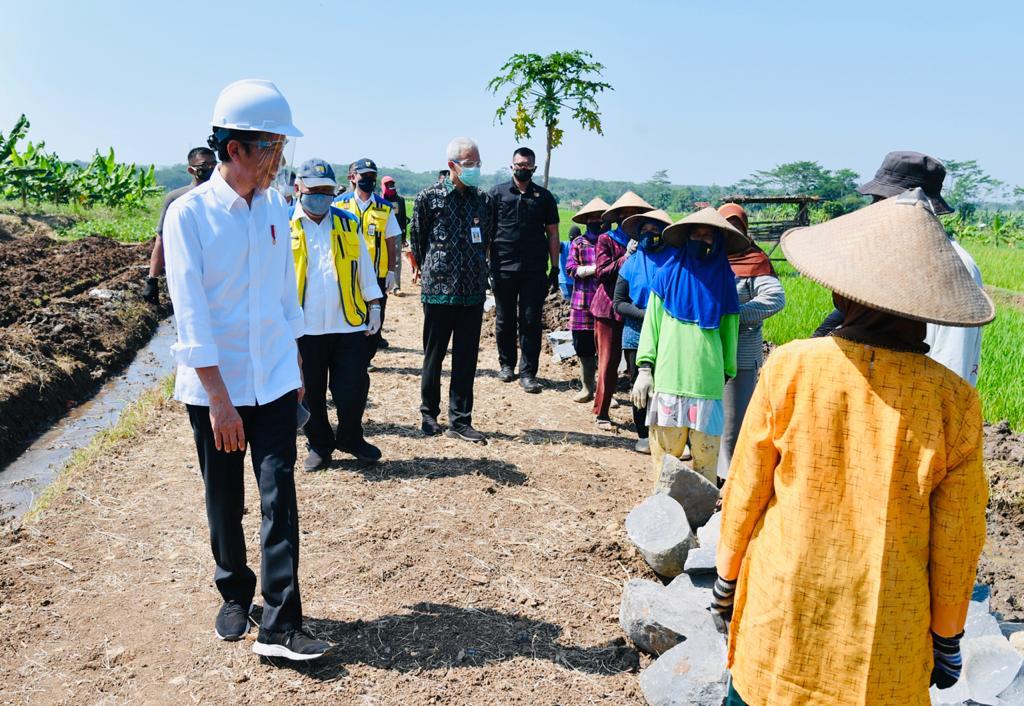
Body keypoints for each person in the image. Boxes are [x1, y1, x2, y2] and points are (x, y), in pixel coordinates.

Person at [713, 189, 994, 706]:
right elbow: (957, 538)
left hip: (782, 614)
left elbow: (746, 491)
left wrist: (726, 581)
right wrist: (948, 636)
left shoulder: (792, 366)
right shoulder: (954, 400)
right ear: (929, 308)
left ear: (842, 295)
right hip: (886, 633)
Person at [162, 79, 329, 661]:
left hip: (277, 379)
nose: (276, 161)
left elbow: (285, 297)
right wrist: (220, 401)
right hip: (220, 388)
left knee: (279, 494)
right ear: (234, 148)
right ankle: (234, 590)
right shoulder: (189, 217)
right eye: (269, 149)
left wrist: (298, 364)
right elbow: (192, 315)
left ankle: (281, 624)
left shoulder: (277, 209)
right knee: (224, 496)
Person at [812, 151, 984, 386]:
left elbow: (953, 359)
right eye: (875, 200)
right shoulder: (883, 253)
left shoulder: (957, 266)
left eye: (881, 201)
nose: (874, 208)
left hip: (916, 400)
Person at [630, 208, 747, 485]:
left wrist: (726, 371)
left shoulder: (725, 282)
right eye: (695, 234)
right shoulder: (668, 273)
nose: (700, 240)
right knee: (665, 463)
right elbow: (652, 324)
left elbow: (730, 333)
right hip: (669, 382)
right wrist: (645, 368)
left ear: (717, 242)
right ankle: (663, 517)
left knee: (705, 462)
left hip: (707, 384)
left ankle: (701, 519)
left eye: (707, 236)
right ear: (686, 238)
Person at [289, 159, 383, 470]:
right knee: (310, 392)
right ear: (298, 188)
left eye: (327, 191)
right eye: (314, 190)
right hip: (304, 327)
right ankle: (319, 445)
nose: (320, 197)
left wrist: (374, 304)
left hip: (347, 323)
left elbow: (364, 268)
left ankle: (351, 437)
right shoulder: (284, 224)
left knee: (353, 386)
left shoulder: (346, 222)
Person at [409, 137, 494, 443]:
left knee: (466, 357)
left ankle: (460, 419)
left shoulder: (483, 201)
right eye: (470, 164)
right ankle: (429, 414)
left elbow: (487, 240)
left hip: (472, 290)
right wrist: (431, 267)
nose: (475, 169)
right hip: (438, 290)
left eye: (478, 163)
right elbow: (417, 238)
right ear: (452, 166)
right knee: (434, 355)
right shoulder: (428, 198)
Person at [715, 203, 785, 482]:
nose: (730, 232)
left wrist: (733, 315)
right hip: (709, 351)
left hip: (741, 353)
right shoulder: (710, 257)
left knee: (733, 421)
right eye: (725, 226)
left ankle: (730, 480)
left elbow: (775, 299)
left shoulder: (754, 261)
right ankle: (714, 471)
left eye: (736, 227)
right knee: (711, 415)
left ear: (744, 231)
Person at [488, 147, 561, 393]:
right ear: (512, 166)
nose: (523, 169)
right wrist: (485, 263)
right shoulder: (497, 194)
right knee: (504, 318)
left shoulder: (544, 197)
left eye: (527, 166)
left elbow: (552, 233)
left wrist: (555, 267)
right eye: (519, 165)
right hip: (503, 266)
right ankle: (507, 365)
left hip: (534, 269)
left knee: (530, 321)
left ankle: (529, 373)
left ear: (534, 169)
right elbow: (487, 232)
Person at [614, 209, 675, 455]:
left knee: (667, 385)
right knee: (639, 385)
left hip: (669, 332)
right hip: (636, 333)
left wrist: (661, 317)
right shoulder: (632, 263)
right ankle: (642, 434)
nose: (649, 235)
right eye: (644, 231)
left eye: (654, 230)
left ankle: (666, 435)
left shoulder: (675, 260)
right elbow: (619, 302)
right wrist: (648, 314)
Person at [592, 191, 654, 430]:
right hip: (609, 307)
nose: (630, 218)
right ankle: (602, 412)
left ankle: (643, 415)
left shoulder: (648, 241)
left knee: (636, 365)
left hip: (635, 310)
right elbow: (602, 272)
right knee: (608, 363)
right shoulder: (607, 239)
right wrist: (626, 255)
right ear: (618, 218)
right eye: (625, 214)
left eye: (635, 214)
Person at [335, 158, 401, 357]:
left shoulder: (384, 207)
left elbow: (390, 241)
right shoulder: (339, 204)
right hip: (347, 273)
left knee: (375, 315)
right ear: (353, 177)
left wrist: (391, 271)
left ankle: (368, 355)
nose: (369, 180)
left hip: (376, 274)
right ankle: (350, 354)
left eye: (373, 176)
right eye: (365, 176)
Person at [143, 147, 217, 305]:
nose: (210, 169)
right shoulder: (177, 198)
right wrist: (152, 279)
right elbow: (161, 240)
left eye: (213, 164)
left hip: (217, 274)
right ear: (191, 170)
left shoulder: (225, 197)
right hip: (187, 272)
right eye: (204, 165)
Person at [565, 198, 611, 403]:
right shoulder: (579, 243)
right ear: (586, 221)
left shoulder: (611, 242)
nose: (595, 221)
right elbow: (570, 269)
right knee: (583, 346)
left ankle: (605, 390)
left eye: (599, 217)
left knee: (606, 347)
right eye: (591, 217)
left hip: (606, 301)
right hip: (583, 302)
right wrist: (592, 270)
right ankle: (587, 387)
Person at [381, 175, 408, 295]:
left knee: (397, 260)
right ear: (383, 186)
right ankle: (382, 285)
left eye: (392, 184)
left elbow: (403, 219)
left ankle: (396, 286)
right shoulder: (378, 201)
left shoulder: (400, 200)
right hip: (381, 233)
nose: (390, 187)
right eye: (387, 184)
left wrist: (403, 237)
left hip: (396, 233)